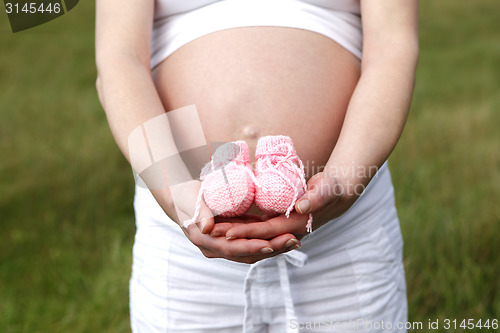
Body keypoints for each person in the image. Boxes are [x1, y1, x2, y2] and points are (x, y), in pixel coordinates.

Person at [95, 0, 419, 332]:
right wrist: (175, 192)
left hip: (342, 239)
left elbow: (392, 47)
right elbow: (119, 58)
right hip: (184, 250)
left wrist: (343, 181)